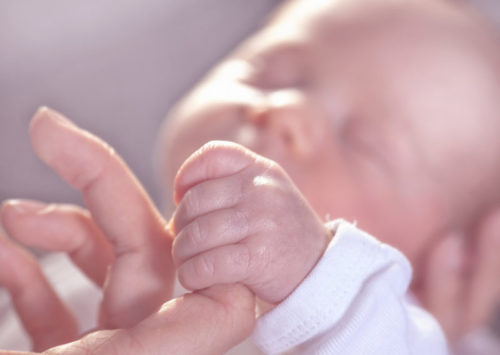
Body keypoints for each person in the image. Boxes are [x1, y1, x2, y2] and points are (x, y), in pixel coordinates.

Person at [1, 0, 500, 354]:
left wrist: (329, 288)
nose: (281, 109)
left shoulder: (407, 334)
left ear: (458, 261)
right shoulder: (110, 256)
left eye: (365, 144)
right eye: (267, 72)